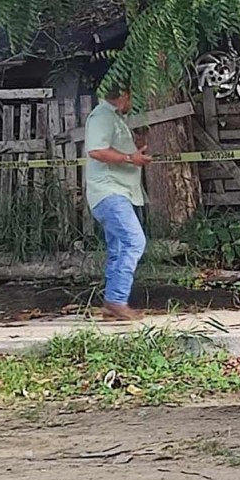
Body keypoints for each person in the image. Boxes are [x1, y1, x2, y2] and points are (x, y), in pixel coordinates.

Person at [84, 86, 152, 321]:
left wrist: (135, 150)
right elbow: (96, 150)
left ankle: (110, 307)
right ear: (124, 94)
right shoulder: (102, 116)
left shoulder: (114, 117)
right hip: (109, 192)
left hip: (116, 191)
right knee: (135, 241)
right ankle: (117, 300)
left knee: (118, 249)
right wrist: (129, 158)